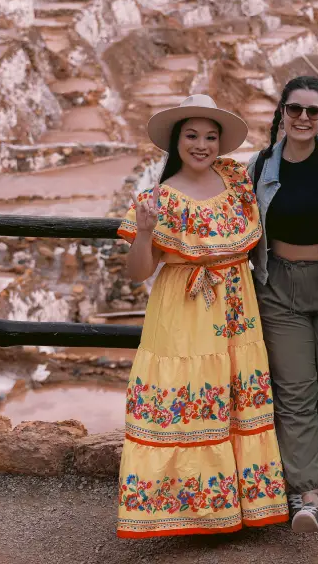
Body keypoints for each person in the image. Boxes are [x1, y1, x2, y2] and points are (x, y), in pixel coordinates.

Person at [116, 94, 287, 537]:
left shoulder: (235, 181)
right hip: (183, 312)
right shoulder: (157, 199)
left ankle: (239, 507)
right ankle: (189, 512)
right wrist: (147, 233)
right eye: (192, 135)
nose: (202, 144)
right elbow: (138, 273)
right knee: (187, 395)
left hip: (236, 309)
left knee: (232, 398)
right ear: (176, 141)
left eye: (210, 137)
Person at [246, 76, 318, 533]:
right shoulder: (260, 167)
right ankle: (306, 495)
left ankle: (303, 475)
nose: (303, 119)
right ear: (282, 112)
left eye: (313, 112)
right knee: (294, 391)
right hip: (278, 288)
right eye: (295, 109)